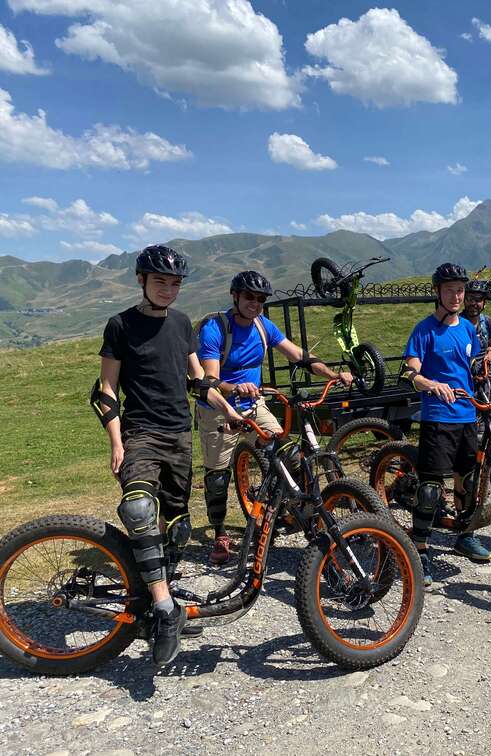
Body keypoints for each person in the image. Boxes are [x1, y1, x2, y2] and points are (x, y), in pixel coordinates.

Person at [93, 245, 244, 667]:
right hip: (141, 434)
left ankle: (162, 602)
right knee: (140, 509)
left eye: (175, 283)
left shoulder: (181, 325)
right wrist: (117, 442)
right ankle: (164, 610)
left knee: (176, 530)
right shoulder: (120, 325)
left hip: (180, 436)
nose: (169, 289)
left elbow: (200, 382)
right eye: (161, 281)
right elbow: (105, 391)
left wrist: (231, 414)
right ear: (141, 280)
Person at [196, 270, 352, 564]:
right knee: (217, 478)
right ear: (235, 297)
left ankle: (283, 510)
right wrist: (235, 387)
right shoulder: (215, 329)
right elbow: (210, 380)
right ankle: (220, 534)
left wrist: (334, 374)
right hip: (218, 409)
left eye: (260, 299)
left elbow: (299, 356)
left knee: (289, 454)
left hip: (254, 405)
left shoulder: (262, 326)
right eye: (249, 297)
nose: (255, 303)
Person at [400, 263, 491, 587]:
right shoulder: (424, 330)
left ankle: (464, 536)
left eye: (461, 289)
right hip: (438, 417)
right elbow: (409, 373)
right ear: (437, 292)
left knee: (466, 480)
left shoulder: (467, 328)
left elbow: (472, 362)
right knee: (429, 489)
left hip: (467, 415)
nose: (457, 295)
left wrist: (484, 363)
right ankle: (421, 548)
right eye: (450, 289)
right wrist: (430, 384)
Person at [462, 279, 491, 370]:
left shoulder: (487, 322)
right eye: (469, 299)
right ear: (464, 301)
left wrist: (490, 352)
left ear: (484, 303)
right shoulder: (457, 324)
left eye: (478, 299)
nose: (473, 303)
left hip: (484, 374)